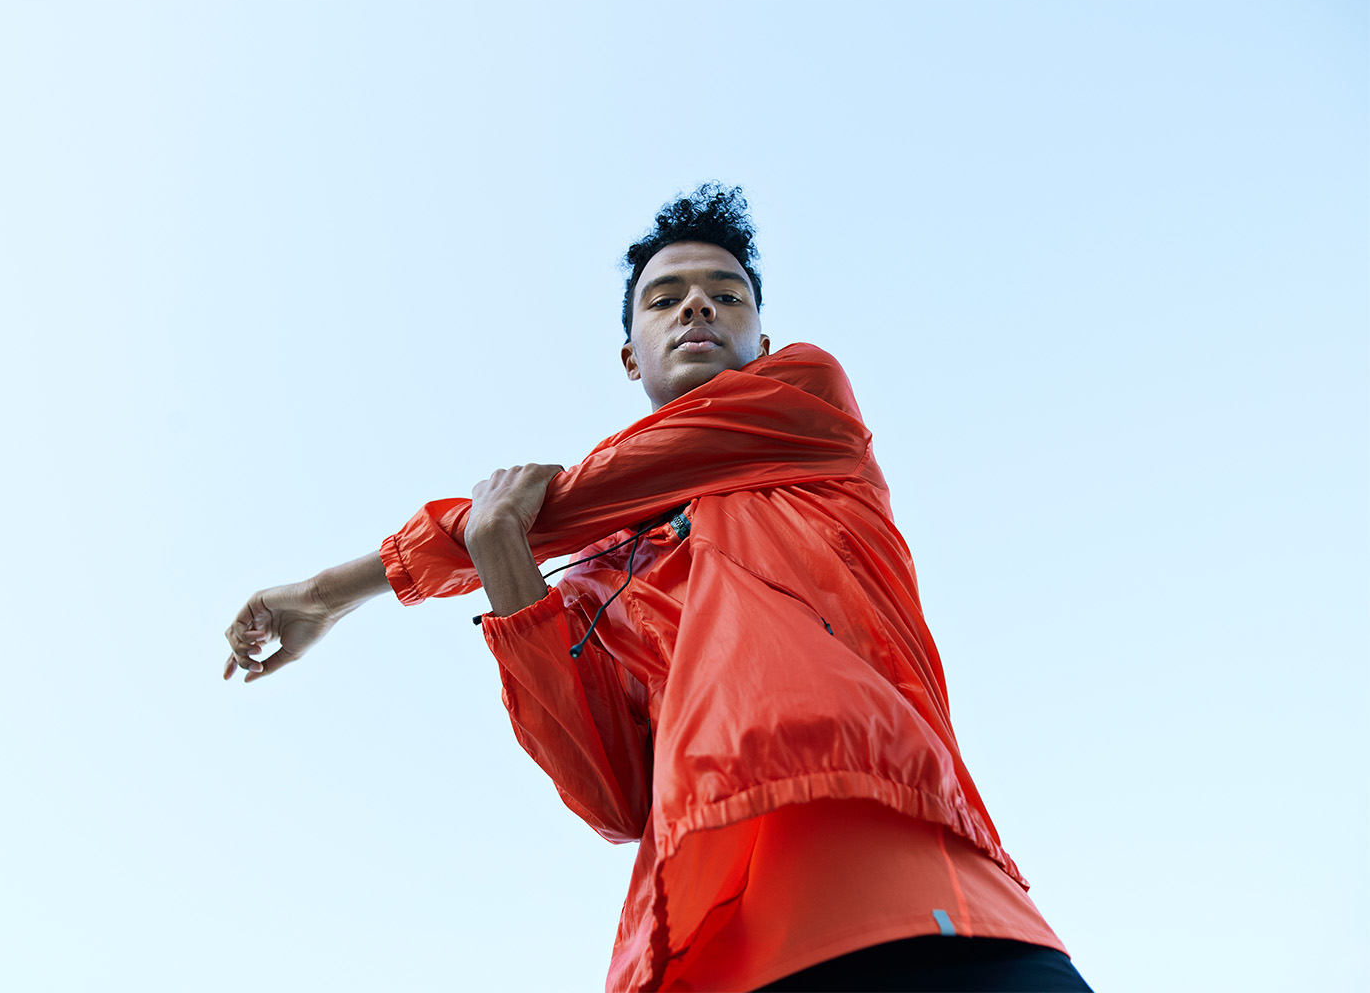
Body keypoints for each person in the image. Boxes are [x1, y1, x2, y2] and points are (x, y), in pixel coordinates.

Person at [222, 184, 1091, 992]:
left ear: (761, 332)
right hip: (718, 945)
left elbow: (578, 495)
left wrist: (333, 589)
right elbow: (613, 794)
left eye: (725, 291)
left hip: (929, 909)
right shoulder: (600, 579)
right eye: (665, 297)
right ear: (628, 353)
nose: (698, 305)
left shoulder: (809, 401)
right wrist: (506, 568)